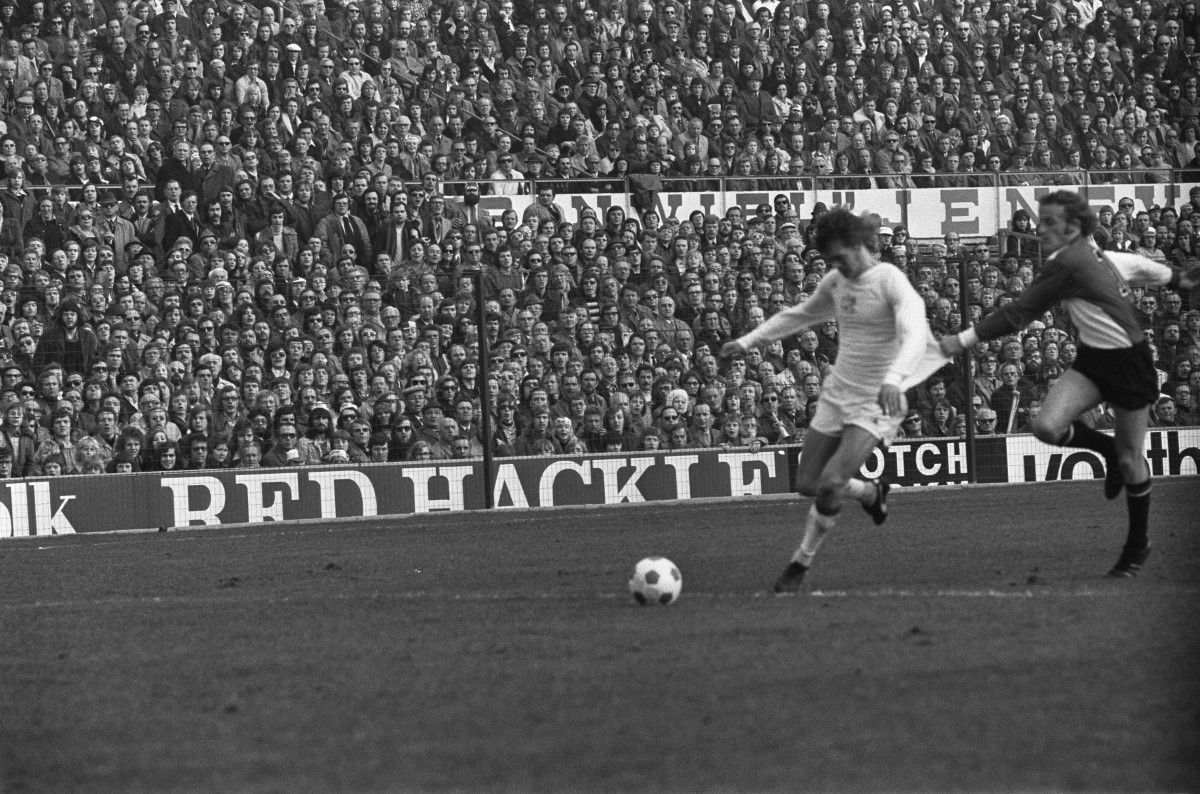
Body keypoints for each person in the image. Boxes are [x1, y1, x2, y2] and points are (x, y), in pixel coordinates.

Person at [941, 190, 1200, 577]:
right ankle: (1107, 450)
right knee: (1047, 426)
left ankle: (1137, 543)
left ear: (1074, 227)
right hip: (1093, 361)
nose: (1040, 229)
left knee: (1132, 459)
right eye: (1040, 221)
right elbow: (1169, 275)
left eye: (1049, 222)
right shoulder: (1104, 259)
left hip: (1129, 365)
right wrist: (1182, 276)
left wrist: (961, 340)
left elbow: (1020, 312)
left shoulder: (1069, 262)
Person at [721, 208, 947, 593]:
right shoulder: (836, 282)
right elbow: (798, 315)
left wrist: (894, 379)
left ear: (858, 245)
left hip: (876, 401)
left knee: (830, 482)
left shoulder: (890, 281)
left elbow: (913, 337)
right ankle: (870, 492)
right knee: (808, 484)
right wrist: (746, 341)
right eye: (830, 261)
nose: (836, 266)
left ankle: (800, 561)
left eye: (840, 257)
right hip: (836, 394)